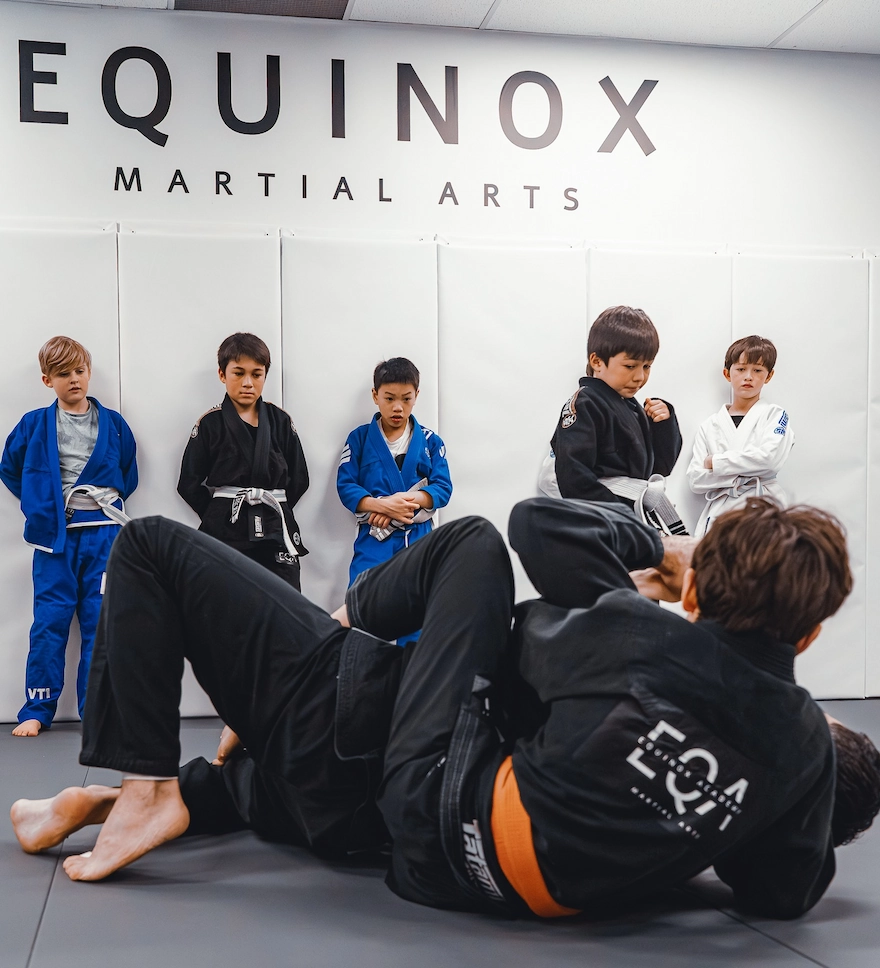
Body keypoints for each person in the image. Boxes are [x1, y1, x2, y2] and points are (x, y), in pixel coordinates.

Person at [12, 496, 878, 924]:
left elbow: (525, 576)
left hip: (422, 797)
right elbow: (781, 895)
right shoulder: (797, 749)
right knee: (296, 769)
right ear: (809, 638)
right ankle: (194, 792)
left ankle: (147, 783)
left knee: (153, 543)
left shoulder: (636, 638)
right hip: (408, 857)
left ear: (703, 590)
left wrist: (656, 556)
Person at [0, 336, 137, 737]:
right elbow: (10, 468)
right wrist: (43, 502)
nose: (74, 379)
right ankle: (37, 708)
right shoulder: (32, 424)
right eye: (63, 374)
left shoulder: (113, 423)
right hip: (54, 541)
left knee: (101, 623)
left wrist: (102, 503)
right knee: (49, 622)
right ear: (48, 380)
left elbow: (127, 472)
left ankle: (97, 711)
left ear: (89, 373)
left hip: (104, 537)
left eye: (79, 371)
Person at [177, 333, 308, 591]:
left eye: (256, 374)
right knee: (225, 604)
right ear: (222, 374)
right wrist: (219, 512)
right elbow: (188, 483)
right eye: (238, 373)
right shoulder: (209, 424)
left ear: (264, 376)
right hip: (225, 531)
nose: (247, 383)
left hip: (274, 527)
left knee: (285, 603)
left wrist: (273, 506)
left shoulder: (281, 421)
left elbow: (300, 479)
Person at [540, 306, 684, 534]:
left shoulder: (633, 407)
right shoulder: (586, 403)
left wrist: (664, 425)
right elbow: (574, 478)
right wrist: (623, 519)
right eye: (630, 366)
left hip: (631, 518)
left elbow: (661, 467)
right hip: (602, 524)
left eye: (647, 367)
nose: (640, 377)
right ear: (597, 361)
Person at [336, 357, 451, 586]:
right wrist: (383, 506)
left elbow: (443, 488)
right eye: (389, 398)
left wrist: (401, 502)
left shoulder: (430, 441)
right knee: (364, 602)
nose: (398, 407)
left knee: (418, 607)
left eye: (406, 399)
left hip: (418, 537)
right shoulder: (359, 438)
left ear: (416, 396)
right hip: (374, 537)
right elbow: (346, 487)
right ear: (375, 395)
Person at [687, 335, 793, 536]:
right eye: (741, 369)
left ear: (768, 376)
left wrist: (716, 463)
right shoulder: (710, 425)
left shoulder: (775, 415)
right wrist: (743, 476)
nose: (748, 377)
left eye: (758, 370)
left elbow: (769, 460)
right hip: (721, 511)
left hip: (763, 507)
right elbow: (696, 479)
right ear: (727, 373)